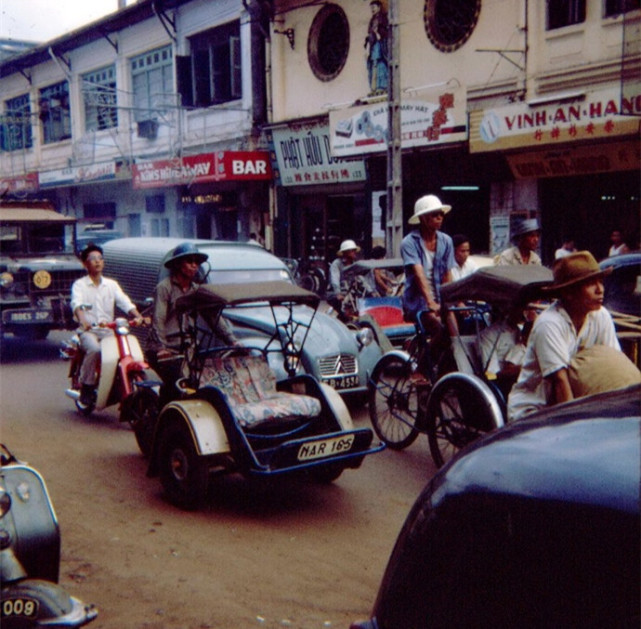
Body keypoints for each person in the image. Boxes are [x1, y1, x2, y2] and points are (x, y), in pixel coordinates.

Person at [508, 251, 620, 421]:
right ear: (568, 293)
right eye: (591, 284)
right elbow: (560, 382)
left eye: (600, 282)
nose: (600, 290)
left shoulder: (600, 315)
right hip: (536, 408)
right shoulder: (549, 323)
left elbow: (612, 364)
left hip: (581, 401)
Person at [148, 243, 238, 399]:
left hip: (187, 349)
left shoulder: (196, 291)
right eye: (190, 261)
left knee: (200, 383)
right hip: (166, 349)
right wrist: (161, 347)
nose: (194, 266)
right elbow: (159, 319)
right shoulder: (164, 288)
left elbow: (214, 318)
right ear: (178, 265)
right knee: (176, 385)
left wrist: (233, 341)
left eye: (197, 262)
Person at [71, 244, 144, 408]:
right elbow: (77, 305)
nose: (97, 262)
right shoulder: (79, 285)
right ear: (85, 264)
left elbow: (125, 302)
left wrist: (138, 316)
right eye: (92, 259)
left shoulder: (111, 284)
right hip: (89, 331)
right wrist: (83, 320)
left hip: (108, 331)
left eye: (100, 258)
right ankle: (87, 388)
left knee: (123, 352)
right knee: (95, 349)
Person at [401, 194, 455, 360]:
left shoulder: (446, 241)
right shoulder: (409, 242)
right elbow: (419, 274)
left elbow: (447, 274)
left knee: (456, 336)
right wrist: (431, 303)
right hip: (418, 303)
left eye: (441, 214)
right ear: (423, 219)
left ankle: (448, 373)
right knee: (441, 331)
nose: (439, 218)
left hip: (440, 300)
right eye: (434, 215)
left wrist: (453, 300)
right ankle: (421, 368)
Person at [328, 239, 361, 314]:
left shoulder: (355, 264)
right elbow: (334, 279)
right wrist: (338, 293)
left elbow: (360, 278)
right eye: (352, 250)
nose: (354, 253)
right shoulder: (336, 264)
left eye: (354, 250)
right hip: (338, 293)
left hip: (352, 293)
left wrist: (371, 291)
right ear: (346, 252)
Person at [364, 0, 388, 95]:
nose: (372, 9)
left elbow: (383, 32)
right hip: (373, 44)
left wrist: (378, 34)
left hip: (379, 43)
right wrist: (368, 47)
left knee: (379, 63)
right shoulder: (372, 20)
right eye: (371, 7)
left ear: (379, 7)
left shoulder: (382, 18)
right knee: (373, 65)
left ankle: (381, 85)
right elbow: (370, 34)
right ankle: (374, 87)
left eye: (374, 7)